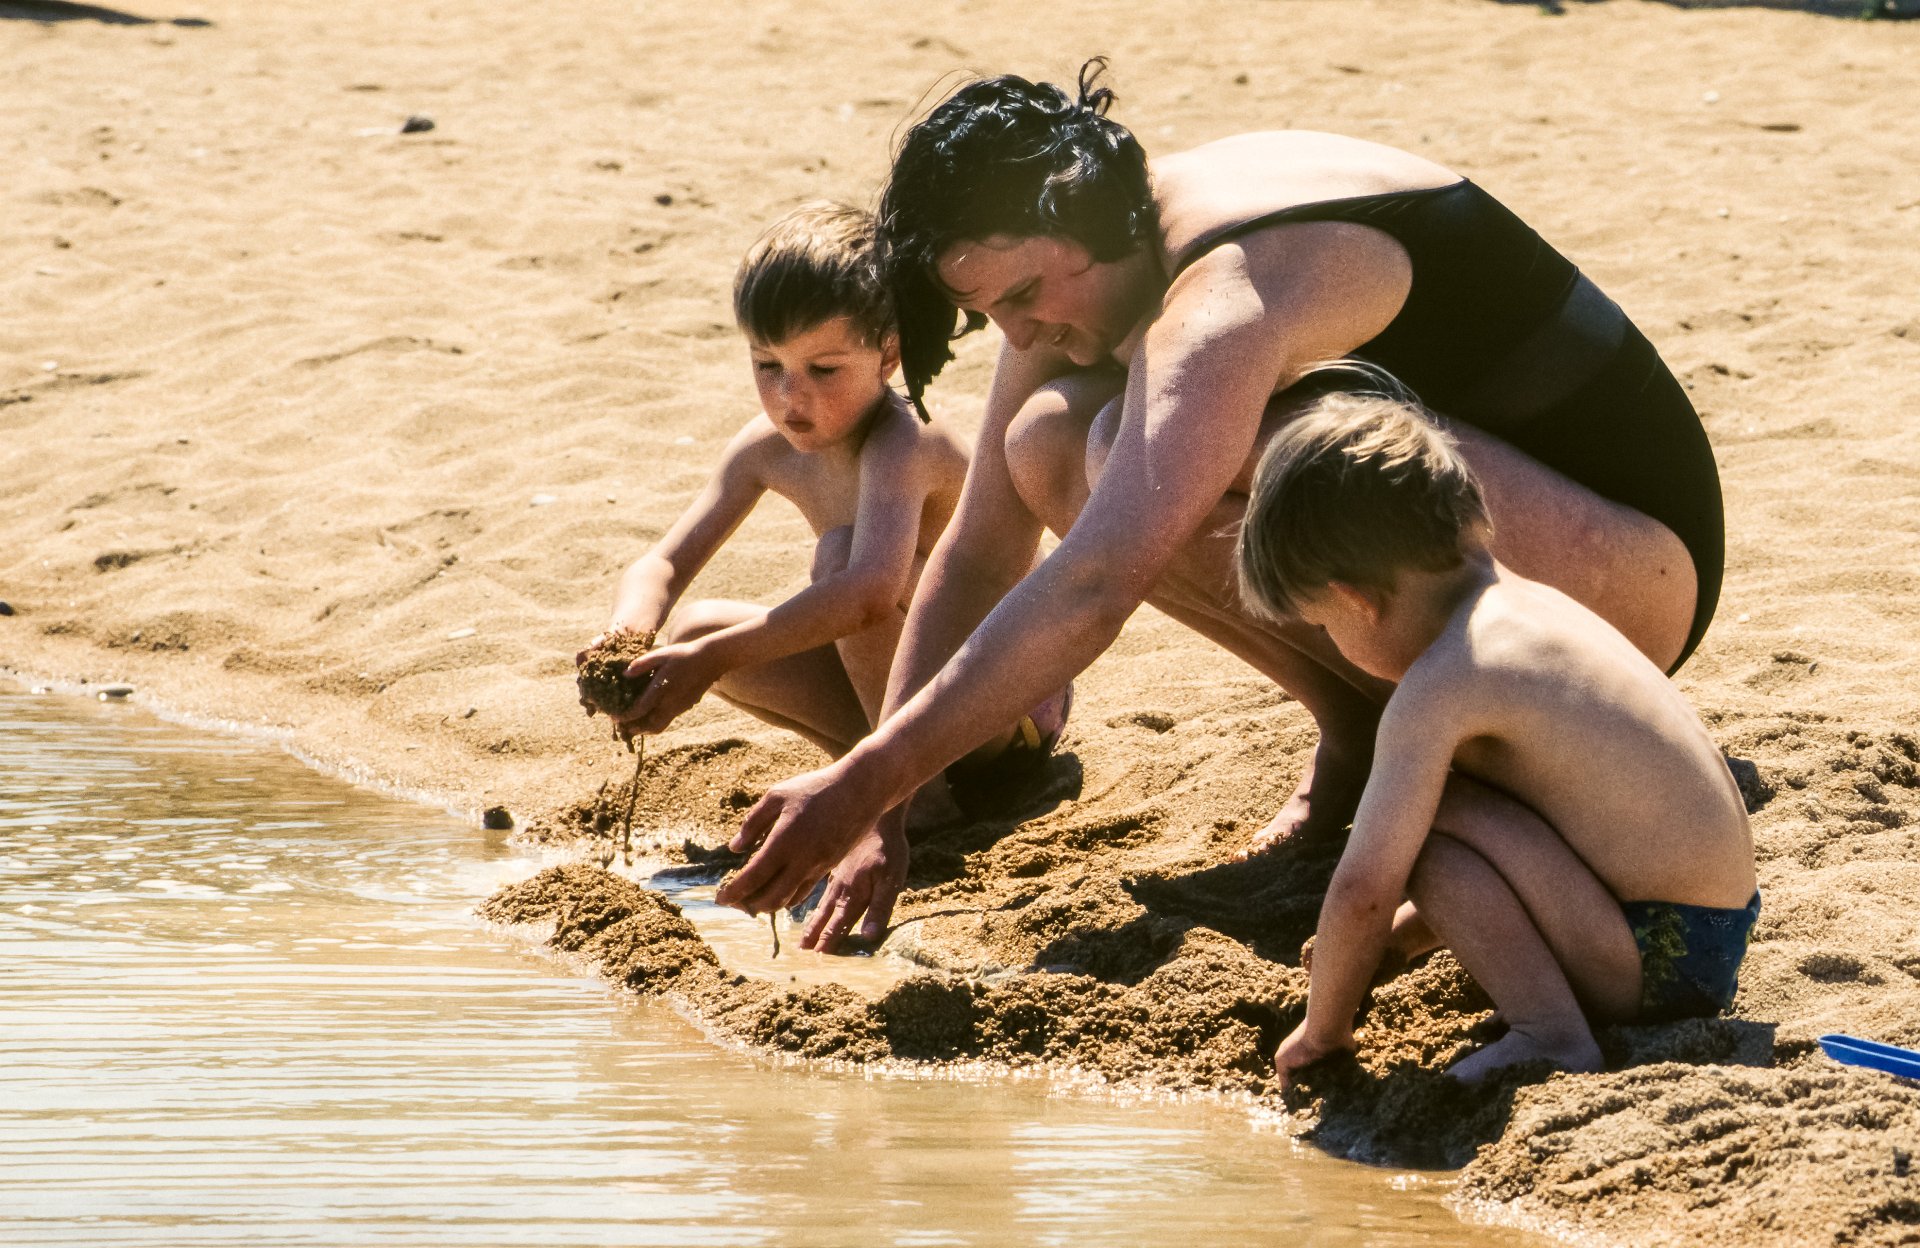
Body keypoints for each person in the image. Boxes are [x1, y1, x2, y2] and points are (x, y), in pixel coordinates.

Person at [716, 62, 1725, 953]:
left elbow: (1098, 583)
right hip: (1515, 525)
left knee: (1121, 450)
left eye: (1021, 296)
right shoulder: (1096, 232)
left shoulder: (1228, 288)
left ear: (1073, 215)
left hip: (1627, 584)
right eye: (989, 313)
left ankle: (1450, 741)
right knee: (1046, 441)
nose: (1016, 334)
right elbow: (981, 550)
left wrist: (861, 780)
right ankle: (1358, 728)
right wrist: (885, 805)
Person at [1240, 390, 1756, 1082]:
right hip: (1706, 936)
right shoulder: (1534, 608)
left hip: (1656, 962)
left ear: (1356, 599)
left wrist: (1320, 1031)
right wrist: (1402, 938)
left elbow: (1364, 886)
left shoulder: (1446, 680)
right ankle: (1552, 1011)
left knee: (1416, 828)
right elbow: (1556, 832)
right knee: (1449, 807)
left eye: (1323, 624)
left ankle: (1551, 1034)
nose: (1331, 641)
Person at [588, 203, 1067, 868]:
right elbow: (662, 564)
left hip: (1003, 703)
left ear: (888, 355)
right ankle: (874, 774)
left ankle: (918, 803)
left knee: (841, 563)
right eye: (767, 365)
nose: (791, 398)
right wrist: (625, 639)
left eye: (824, 370)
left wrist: (712, 660)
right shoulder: (765, 448)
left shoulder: (905, 441)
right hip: (906, 693)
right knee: (695, 628)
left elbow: (868, 597)